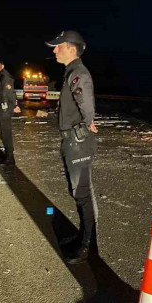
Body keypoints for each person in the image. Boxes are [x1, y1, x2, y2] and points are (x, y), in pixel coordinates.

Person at [45, 30, 98, 264]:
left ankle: (87, 246)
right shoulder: (71, 72)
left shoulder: (78, 73)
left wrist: (88, 124)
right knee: (79, 192)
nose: (54, 50)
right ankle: (83, 237)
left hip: (78, 142)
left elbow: (85, 103)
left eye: (58, 46)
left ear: (72, 48)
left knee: (82, 194)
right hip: (72, 140)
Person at [0, 59, 21, 166]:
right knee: (3, 134)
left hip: (4, 109)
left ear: (2, 66)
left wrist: (14, 106)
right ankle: (8, 156)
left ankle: (10, 158)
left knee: (5, 134)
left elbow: (10, 93)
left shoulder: (5, 77)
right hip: (0, 109)